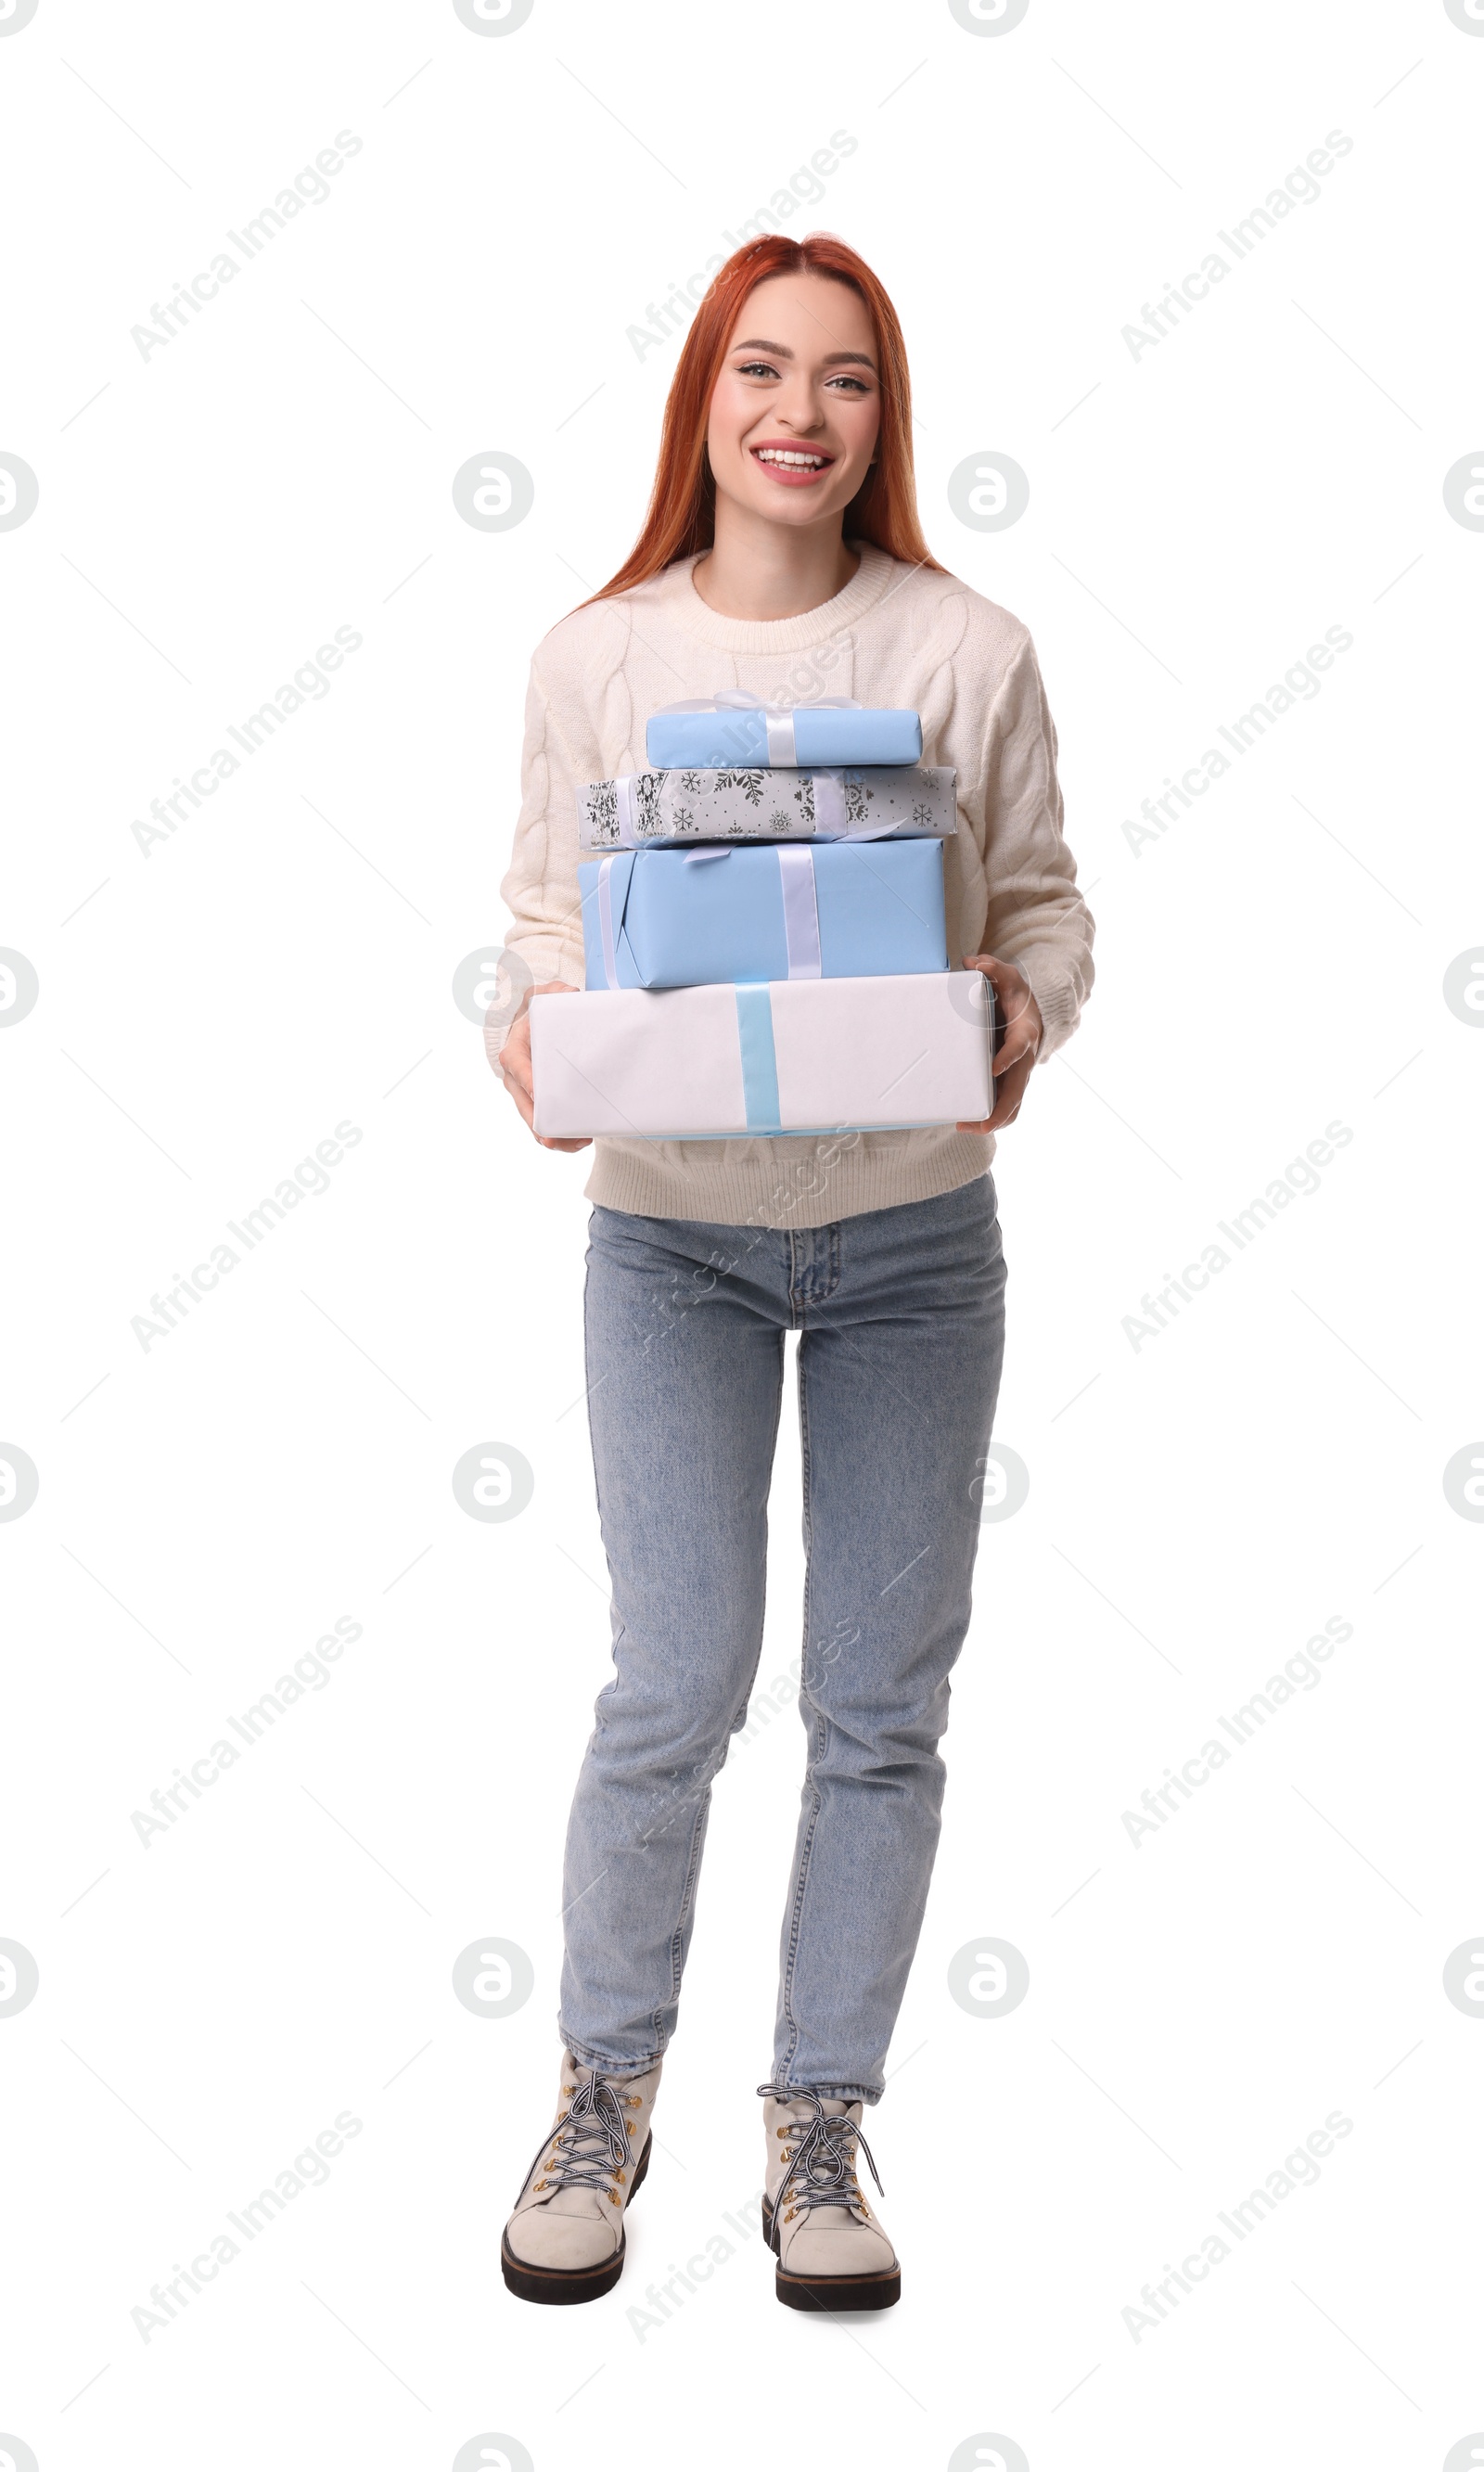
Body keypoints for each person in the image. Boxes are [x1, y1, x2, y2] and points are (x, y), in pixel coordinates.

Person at [495, 232, 1094, 2312]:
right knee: (672, 1685)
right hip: (668, 1237)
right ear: (702, 400)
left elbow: (1037, 909)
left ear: (882, 416)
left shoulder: (964, 647)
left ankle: (817, 2122)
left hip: (915, 1243)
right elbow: (541, 924)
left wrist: (1017, 1014)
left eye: (844, 380)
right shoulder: (597, 657)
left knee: (875, 1707)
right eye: (761, 370)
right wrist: (534, 1034)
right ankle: (603, 2085)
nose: (799, 414)